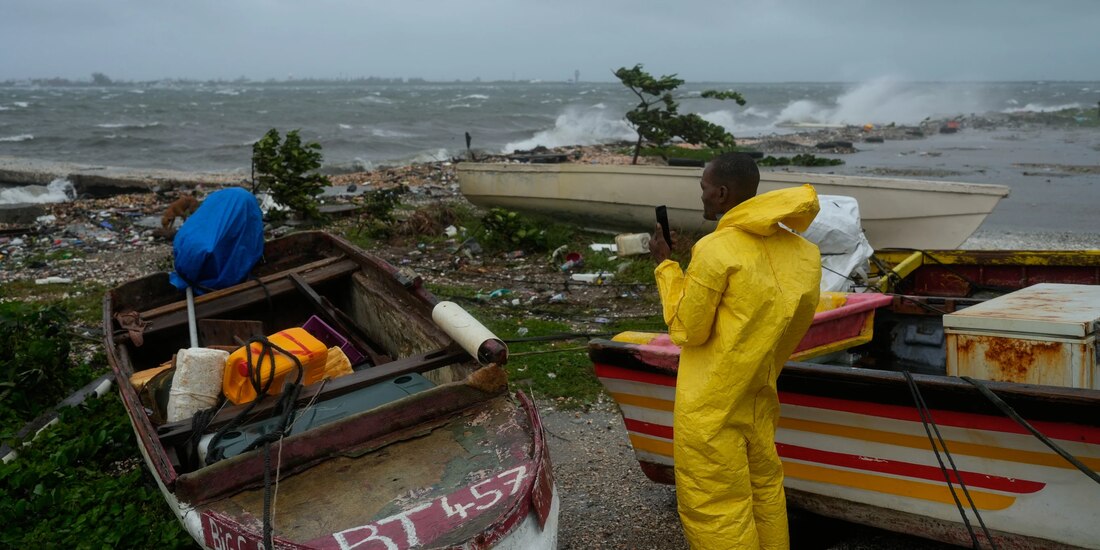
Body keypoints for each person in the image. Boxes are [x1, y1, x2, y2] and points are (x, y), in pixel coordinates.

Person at [649, 152, 821, 549]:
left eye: (704, 189)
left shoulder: (716, 249)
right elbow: (790, 325)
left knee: (717, 505)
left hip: (711, 405)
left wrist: (666, 267)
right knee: (765, 490)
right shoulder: (804, 254)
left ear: (722, 193)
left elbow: (687, 330)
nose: (703, 197)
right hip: (759, 393)